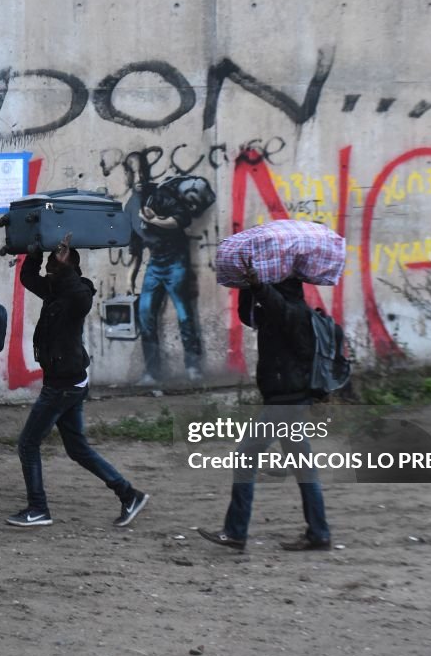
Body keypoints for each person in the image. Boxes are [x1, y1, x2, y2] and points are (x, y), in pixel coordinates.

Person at [7, 232, 149, 528]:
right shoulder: (55, 290)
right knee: (77, 448)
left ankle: (38, 508)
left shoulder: (77, 291)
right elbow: (28, 279)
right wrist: (33, 253)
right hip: (67, 380)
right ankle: (128, 494)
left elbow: (81, 300)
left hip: (63, 384)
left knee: (28, 444)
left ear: (70, 267)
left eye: (55, 264)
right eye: (49, 262)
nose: (49, 267)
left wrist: (65, 267)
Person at [197, 260, 331, 551]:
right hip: (287, 399)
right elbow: (249, 316)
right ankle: (319, 533)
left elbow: (277, 307)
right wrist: (247, 286)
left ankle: (235, 531)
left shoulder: (295, 312)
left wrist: (258, 284)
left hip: (286, 400)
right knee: (304, 469)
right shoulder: (279, 313)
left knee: (245, 457)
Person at [127, 180, 204, 386]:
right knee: (145, 315)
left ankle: (193, 367)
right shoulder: (133, 207)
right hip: (155, 264)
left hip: (176, 261)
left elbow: (181, 220)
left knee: (184, 314)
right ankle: (152, 372)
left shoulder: (162, 196)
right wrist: (131, 277)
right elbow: (136, 246)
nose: (137, 182)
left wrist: (155, 220)